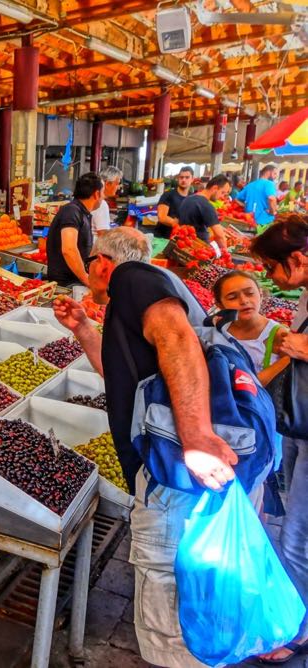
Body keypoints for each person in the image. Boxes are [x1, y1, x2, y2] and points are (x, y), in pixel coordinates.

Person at [53, 227, 270, 668]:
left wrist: (195, 437)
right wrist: (84, 329)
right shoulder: (142, 298)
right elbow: (125, 377)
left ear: (103, 263)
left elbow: (176, 340)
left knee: (173, 613)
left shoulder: (132, 277)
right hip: (182, 472)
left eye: (91, 260)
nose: (89, 270)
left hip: (176, 478)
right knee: (201, 599)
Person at [250, 213, 308, 664]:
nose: (270, 278)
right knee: (294, 520)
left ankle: (295, 630)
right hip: (301, 424)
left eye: (271, 268)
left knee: (296, 537)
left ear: (298, 258)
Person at [212, 270, 288, 385]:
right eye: (232, 297)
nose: (244, 301)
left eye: (250, 293)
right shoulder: (218, 332)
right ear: (220, 305)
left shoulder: (280, 336)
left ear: (261, 295)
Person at [45, 172, 103, 287]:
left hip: (74, 283)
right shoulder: (72, 211)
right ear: (97, 194)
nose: (104, 197)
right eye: (103, 193)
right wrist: (87, 280)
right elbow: (69, 249)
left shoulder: (82, 213)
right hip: (67, 285)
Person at [178, 174, 230, 246]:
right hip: (197, 247)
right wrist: (226, 253)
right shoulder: (206, 205)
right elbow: (220, 237)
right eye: (222, 192)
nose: (222, 197)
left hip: (184, 244)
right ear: (215, 188)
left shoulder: (188, 198)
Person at [236, 163, 278, 229]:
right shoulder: (269, 184)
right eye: (275, 173)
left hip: (249, 221)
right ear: (269, 172)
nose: (276, 176)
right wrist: (272, 212)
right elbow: (271, 198)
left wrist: (245, 205)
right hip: (264, 222)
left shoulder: (250, 185)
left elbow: (236, 199)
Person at [156, 167, 194, 239]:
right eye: (181, 177)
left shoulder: (193, 198)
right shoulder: (168, 195)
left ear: (192, 179)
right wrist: (180, 225)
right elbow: (161, 217)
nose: (183, 180)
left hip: (182, 238)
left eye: (187, 177)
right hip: (163, 237)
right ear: (178, 178)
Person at [91, 166, 123, 237]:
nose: (118, 187)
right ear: (108, 184)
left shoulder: (92, 199)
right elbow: (103, 234)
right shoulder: (101, 204)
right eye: (117, 183)